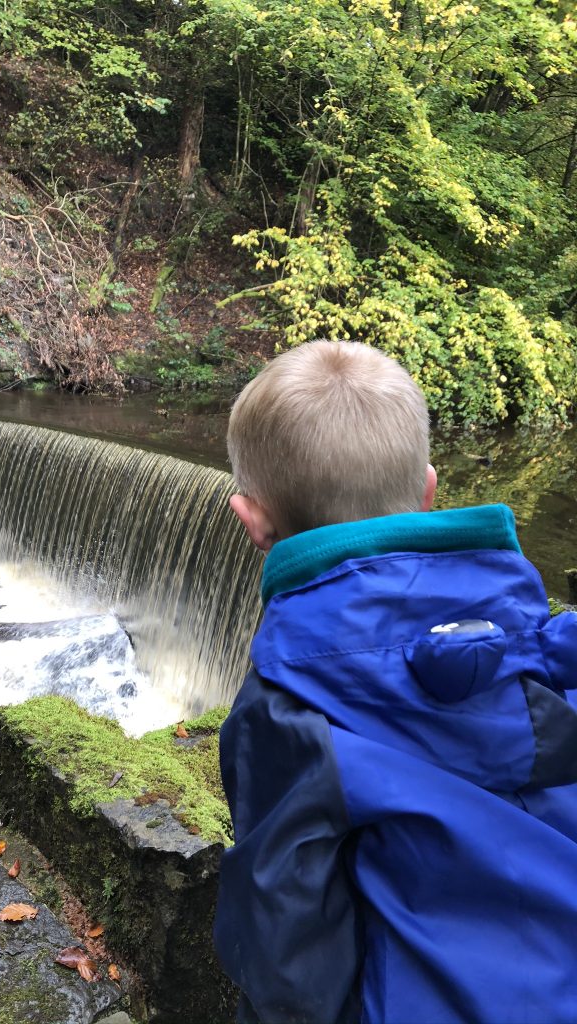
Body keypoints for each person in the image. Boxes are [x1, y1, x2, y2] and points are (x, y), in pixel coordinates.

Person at [213, 340, 577, 1024]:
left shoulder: (288, 709)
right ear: (429, 492)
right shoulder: (545, 657)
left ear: (251, 518)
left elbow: (286, 944)